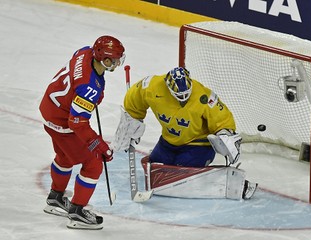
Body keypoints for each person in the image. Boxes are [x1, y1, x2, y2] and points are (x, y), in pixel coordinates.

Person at [113, 67, 257, 200]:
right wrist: (132, 121)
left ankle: (233, 183)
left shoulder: (204, 96)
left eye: (186, 94)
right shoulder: (152, 86)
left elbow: (223, 119)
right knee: (156, 166)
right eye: (178, 95)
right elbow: (134, 98)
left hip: (198, 144)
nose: (183, 99)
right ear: (168, 87)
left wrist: (225, 135)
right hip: (169, 142)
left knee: (181, 170)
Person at [39, 35, 125, 230]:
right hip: (62, 121)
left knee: (65, 156)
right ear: (105, 59)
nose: (118, 63)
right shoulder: (88, 88)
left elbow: (78, 81)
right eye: (115, 59)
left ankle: (55, 198)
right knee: (94, 163)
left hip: (49, 109)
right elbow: (77, 122)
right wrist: (98, 145)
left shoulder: (85, 51)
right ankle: (77, 212)